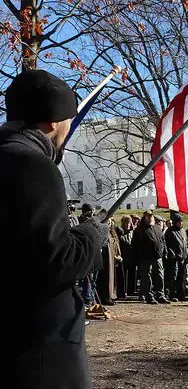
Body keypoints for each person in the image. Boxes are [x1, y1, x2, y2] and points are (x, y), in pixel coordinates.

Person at [1, 69, 108, 387]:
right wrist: (92, 232)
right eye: (68, 120)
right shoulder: (31, 165)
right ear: (53, 122)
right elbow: (56, 262)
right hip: (36, 350)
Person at [133, 211, 170, 304]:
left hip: (158, 257)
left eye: (151, 217)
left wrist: (164, 252)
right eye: (148, 217)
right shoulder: (139, 230)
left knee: (160, 275)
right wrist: (139, 256)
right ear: (144, 218)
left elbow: (163, 241)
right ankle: (149, 296)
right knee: (147, 277)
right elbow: (135, 245)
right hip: (146, 258)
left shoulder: (157, 228)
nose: (150, 218)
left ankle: (160, 295)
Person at [96, 219, 122, 306]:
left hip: (112, 259)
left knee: (112, 278)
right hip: (105, 260)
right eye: (108, 222)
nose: (109, 224)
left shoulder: (112, 233)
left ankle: (111, 296)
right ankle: (105, 297)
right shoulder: (102, 234)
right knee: (105, 279)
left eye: (110, 223)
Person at [165, 214, 188, 301]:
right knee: (173, 277)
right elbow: (167, 244)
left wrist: (187, 253)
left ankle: (180, 294)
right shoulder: (170, 231)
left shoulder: (183, 231)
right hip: (174, 258)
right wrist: (171, 253)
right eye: (179, 222)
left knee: (181, 277)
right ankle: (172, 294)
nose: (180, 224)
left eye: (181, 222)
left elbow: (186, 243)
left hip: (182, 257)